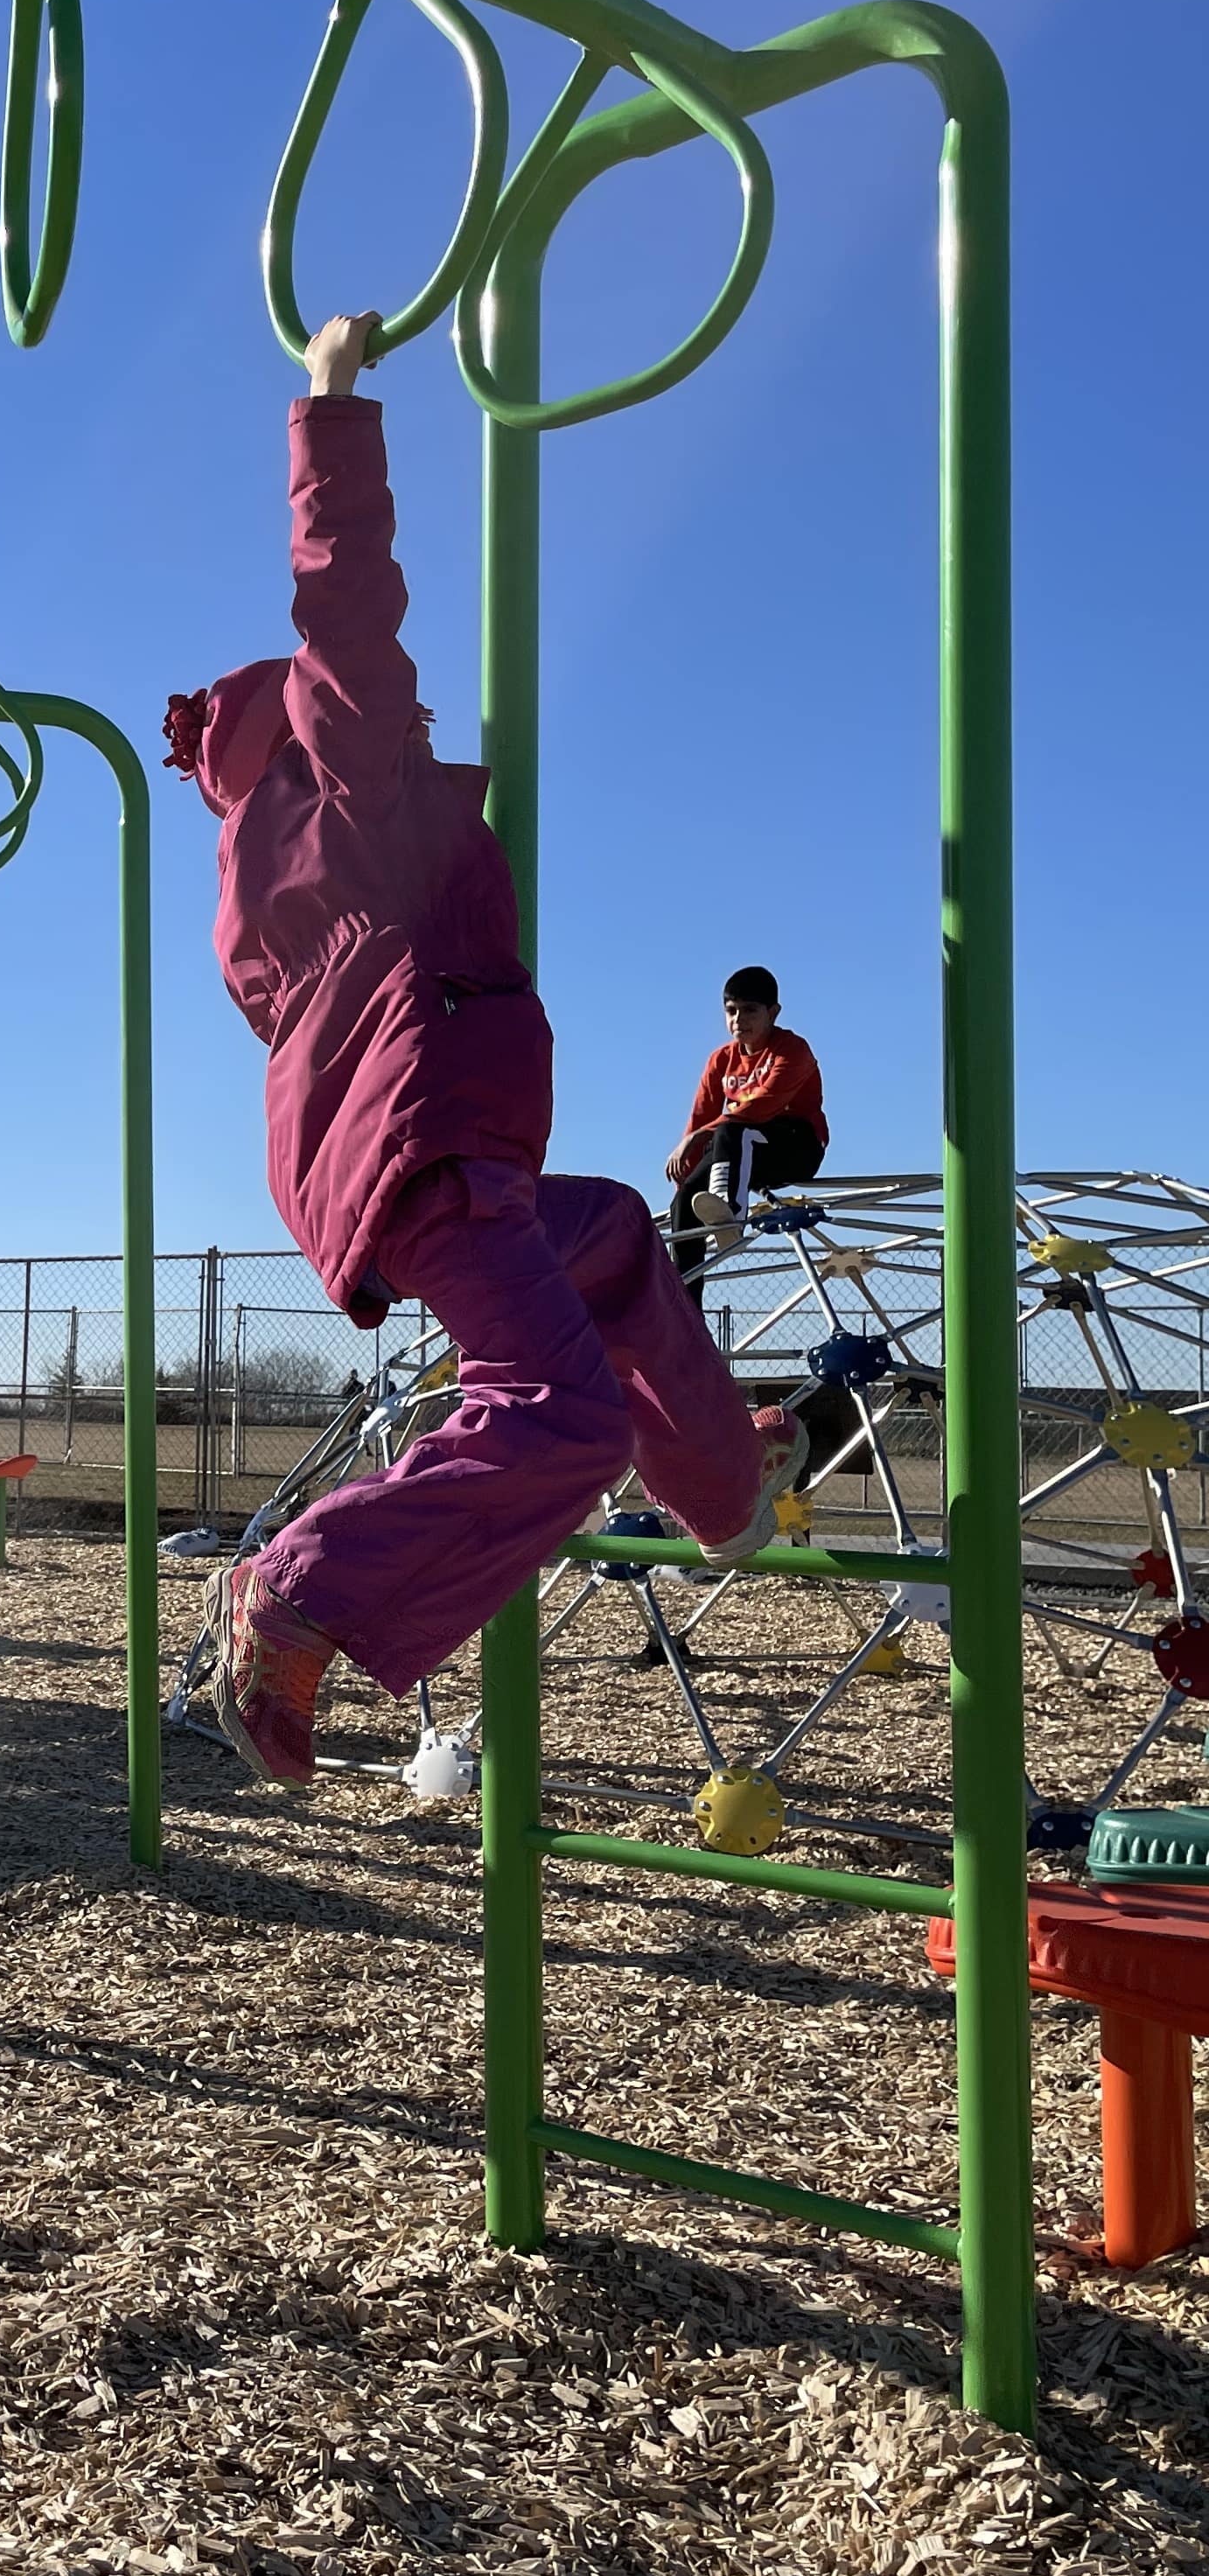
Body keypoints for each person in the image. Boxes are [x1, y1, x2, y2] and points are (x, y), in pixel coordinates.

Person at [163, 311, 805, 1787]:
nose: (419, 710)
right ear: (307, 732)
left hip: (442, 1151)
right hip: (426, 1147)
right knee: (560, 1416)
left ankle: (720, 1489)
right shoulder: (347, 789)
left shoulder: (307, 872)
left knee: (619, 1242)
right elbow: (344, 612)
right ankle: (295, 1593)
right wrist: (327, 407)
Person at [664, 970, 828, 1276]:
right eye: (731, 1011)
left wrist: (696, 1137)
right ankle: (686, 1309)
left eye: (750, 1010)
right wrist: (685, 1179)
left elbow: (763, 1106)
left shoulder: (792, 1050)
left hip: (794, 1146)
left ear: (773, 1013)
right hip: (739, 1152)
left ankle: (731, 1218)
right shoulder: (721, 1060)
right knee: (685, 1200)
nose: (739, 1019)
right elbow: (701, 1116)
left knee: (733, 1130)